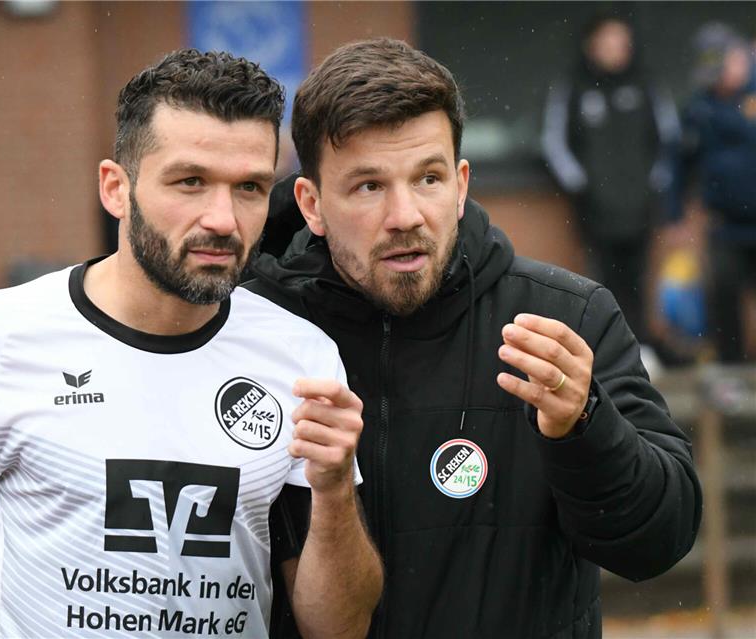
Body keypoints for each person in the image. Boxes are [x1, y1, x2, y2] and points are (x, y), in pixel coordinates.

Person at [0, 49, 382, 638]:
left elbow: (338, 629)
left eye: (248, 187)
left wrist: (333, 492)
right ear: (116, 189)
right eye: (190, 182)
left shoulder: (300, 358)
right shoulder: (4, 335)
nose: (223, 219)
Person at [248, 38, 702, 638]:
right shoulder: (255, 332)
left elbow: (659, 541)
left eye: (428, 178)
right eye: (369, 187)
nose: (406, 215)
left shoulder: (565, 319)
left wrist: (585, 427)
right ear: (311, 204)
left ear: (461, 185)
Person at [542, 14, 680, 350]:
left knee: (638, 278)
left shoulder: (646, 84)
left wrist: (651, 185)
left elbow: (668, 140)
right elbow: (554, 143)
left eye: (621, 42)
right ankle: (607, 350)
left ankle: (641, 346)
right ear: (592, 45)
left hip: (640, 205)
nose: (615, 49)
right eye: (607, 41)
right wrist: (583, 186)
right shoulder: (574, 86)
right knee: (600, 281)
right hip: (595, 208)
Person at [667, 22, 756, 363]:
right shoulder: (698, 108)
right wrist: (674, 214)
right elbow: (678, 164)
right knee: (723, 295)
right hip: (725, 223)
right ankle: (732, 367)